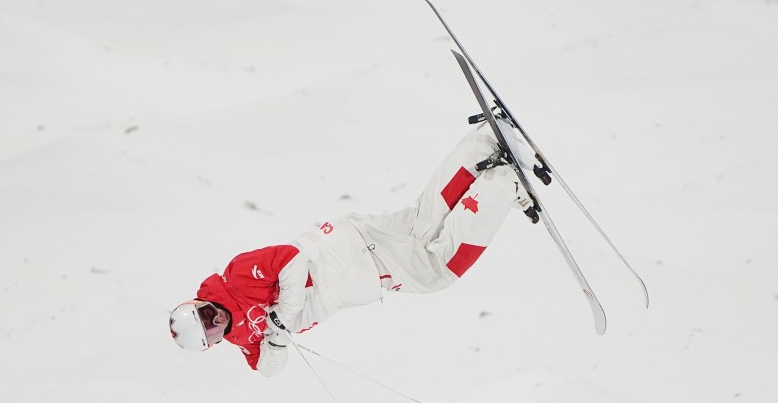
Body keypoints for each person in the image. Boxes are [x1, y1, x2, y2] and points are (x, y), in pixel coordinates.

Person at [169, 119, 534, 376]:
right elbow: (267, 370)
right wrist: (277, 338)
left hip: (354, 262)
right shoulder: (241, 337)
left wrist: (282, 314)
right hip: (355, 244)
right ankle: (485, 143)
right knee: (424, 221)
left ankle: (503, 183)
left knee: (439, 270)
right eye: (211, 330)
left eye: (204, 314)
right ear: (214, 343)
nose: (215, 320)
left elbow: (291, 260)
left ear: (198, 301)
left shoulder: (234, 277)